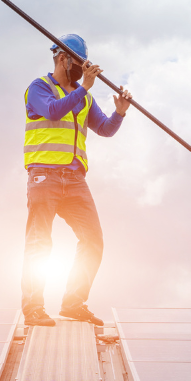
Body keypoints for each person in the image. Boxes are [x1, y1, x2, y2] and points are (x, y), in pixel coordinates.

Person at [21, 34, 132, 327]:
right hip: (44, 175)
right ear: (63, 58)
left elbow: (105, 129)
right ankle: (33, 308)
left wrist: (119, 114)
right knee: (39, 242)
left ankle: (73, 303)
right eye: (80, 63)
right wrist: (84, 86)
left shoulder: (85, 97)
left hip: (74, 179)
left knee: (93, 239)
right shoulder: (39, 88)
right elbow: (54, 112)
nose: (84, 69)